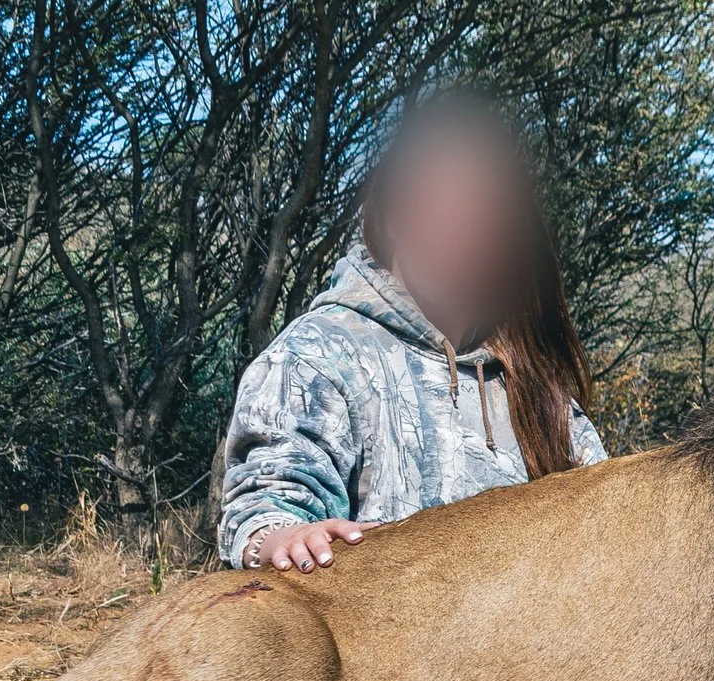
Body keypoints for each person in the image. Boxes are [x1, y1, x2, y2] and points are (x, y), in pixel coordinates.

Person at [218, 93, 606, 573]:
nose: (460, 233)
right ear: (394, 218)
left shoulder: (534, 385)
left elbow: (602, 519)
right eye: (440, 208)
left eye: (481, 220)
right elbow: (265, 503)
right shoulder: (315, 354)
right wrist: (283, 536)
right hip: (380, 644)